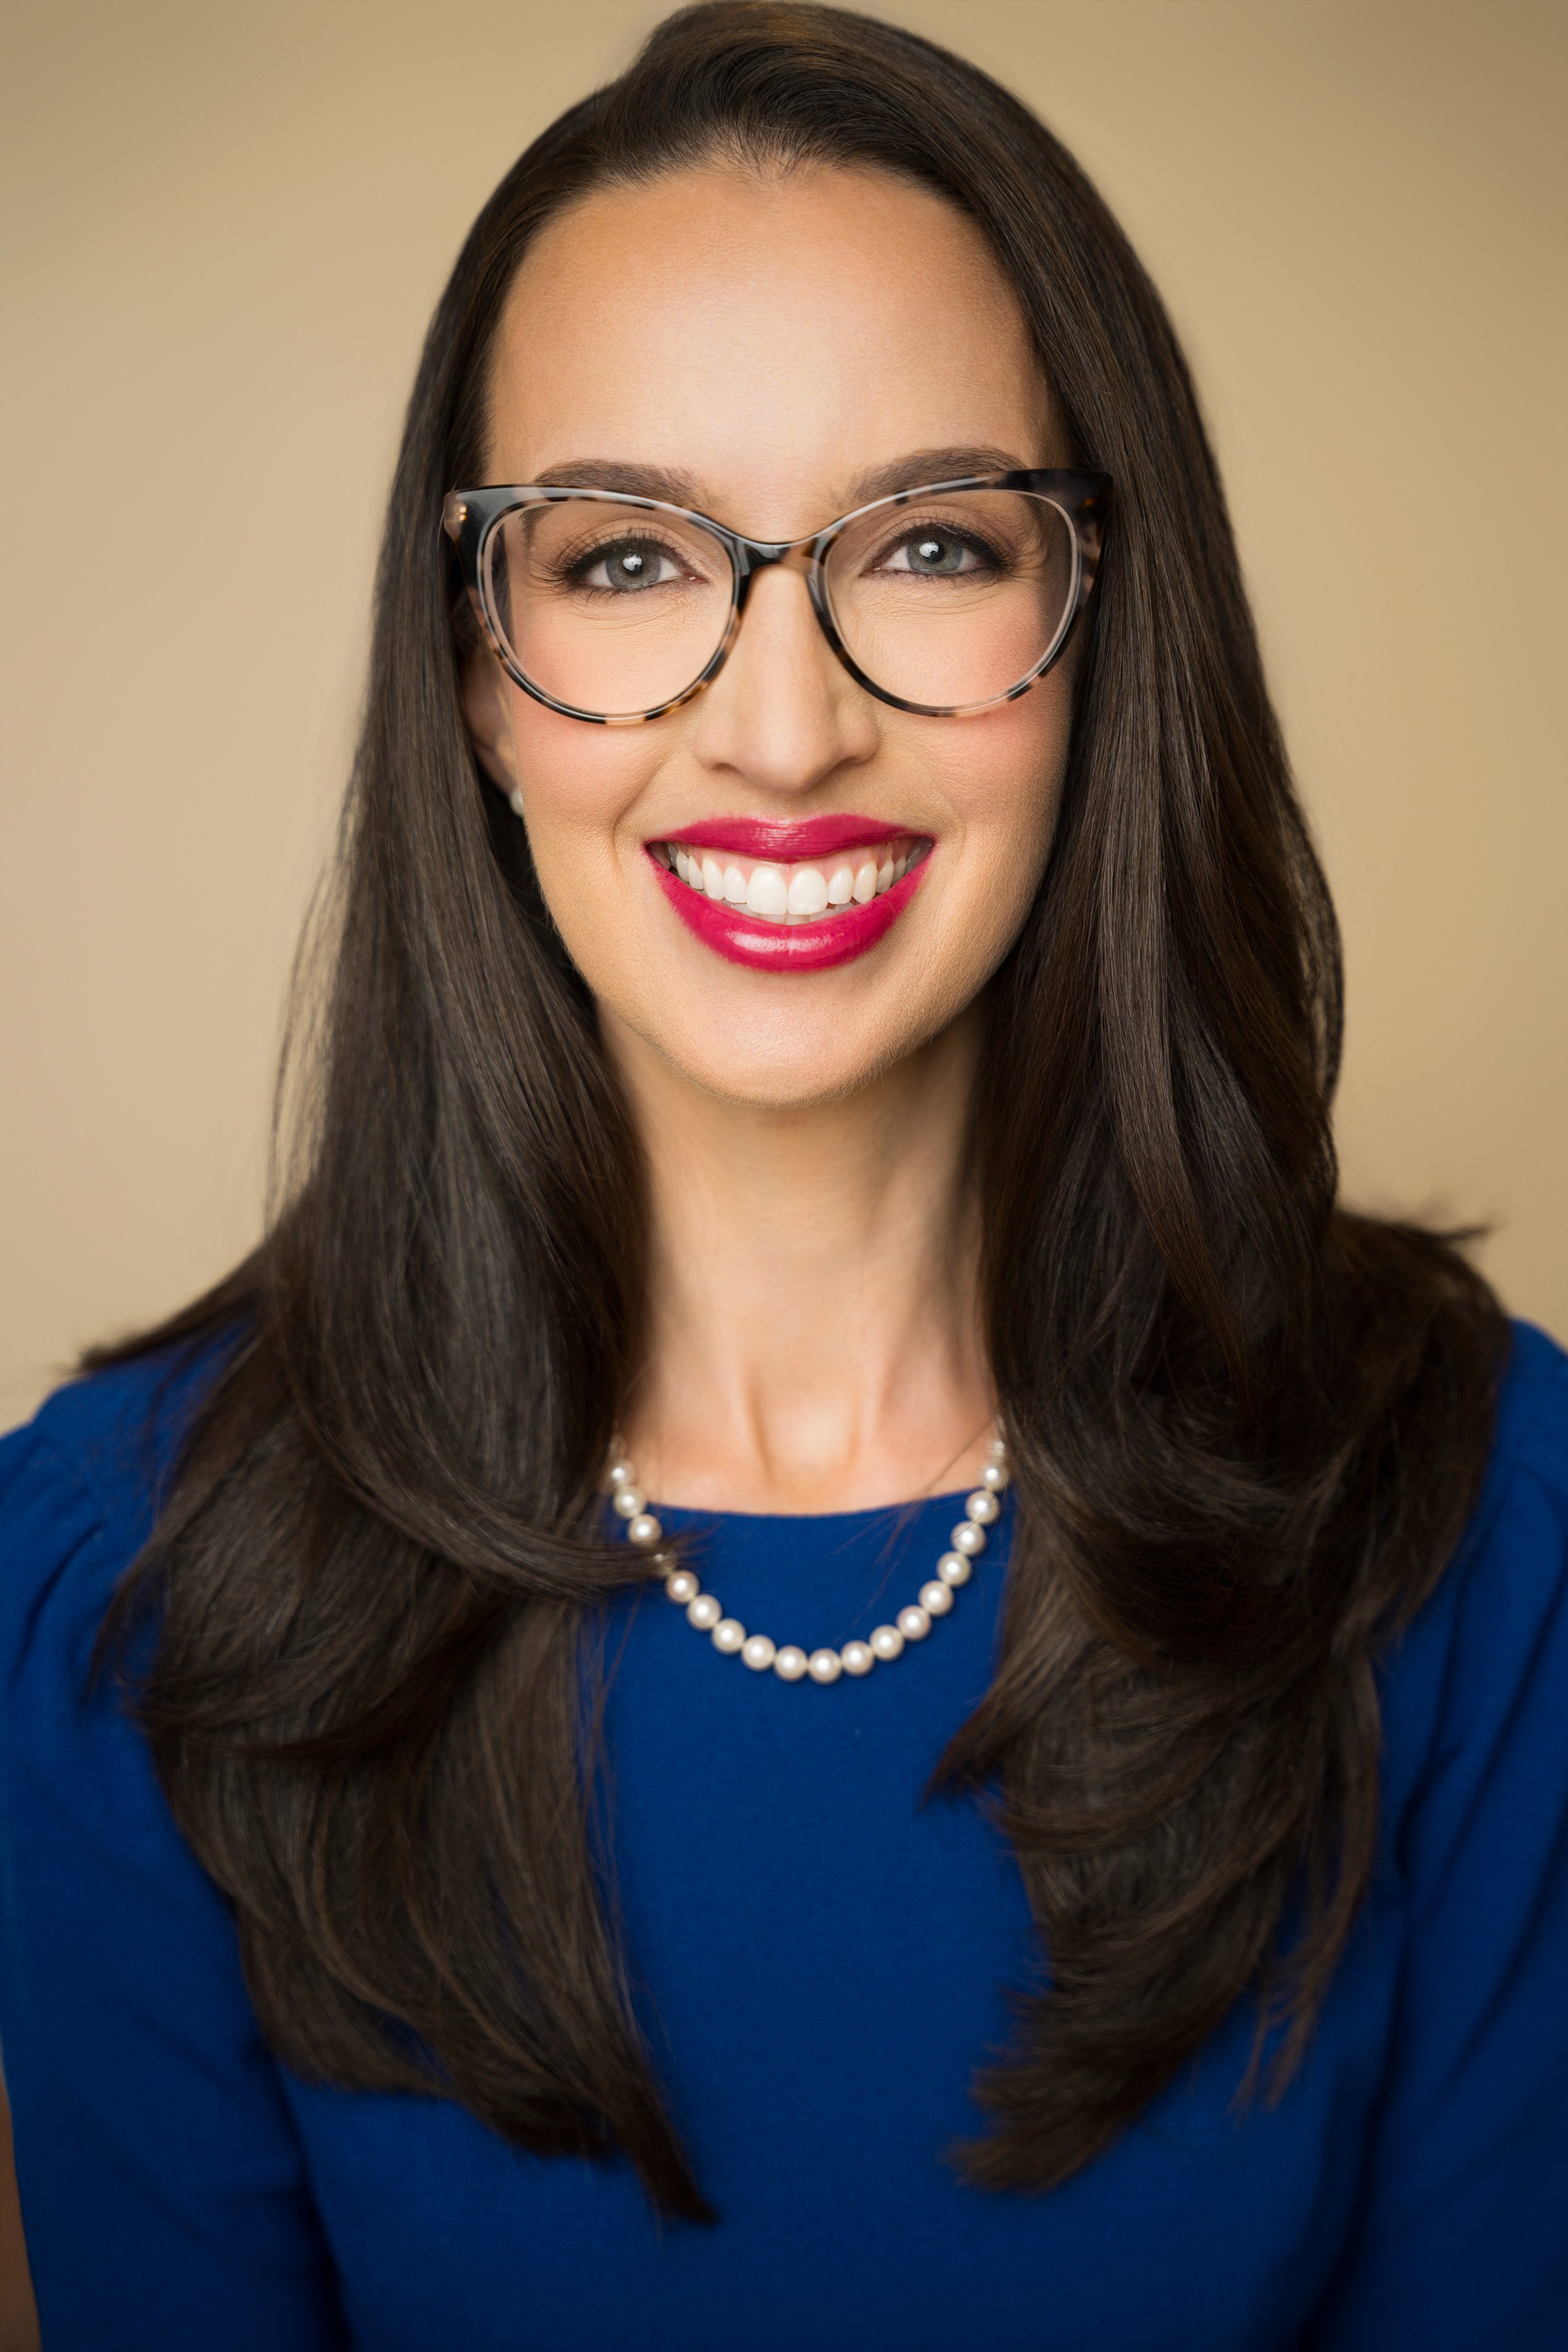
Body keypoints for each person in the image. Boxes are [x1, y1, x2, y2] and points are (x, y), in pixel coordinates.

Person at [1, 5, 1564, 2345]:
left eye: (929, 541)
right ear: (475, 667)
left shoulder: (1476, 1510)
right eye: (625, 559)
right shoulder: (122, 1585)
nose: (782, 720)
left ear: (1101, 626)